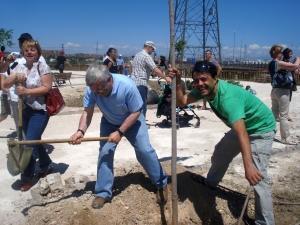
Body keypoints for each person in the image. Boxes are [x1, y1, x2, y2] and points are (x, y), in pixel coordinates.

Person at [170, 61, 277, 225]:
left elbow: (242, 134)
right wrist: (177, 82)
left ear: (215, 78)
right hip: (242, 126)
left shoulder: (228, 98)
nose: (200, 84)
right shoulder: (203, 90)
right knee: (221, 153)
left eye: (204, 79)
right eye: (196, 80)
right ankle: (210, 185)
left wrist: (248, 166)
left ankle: (265, 222)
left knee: (258, 178)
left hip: (260, 129)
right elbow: (182, 101)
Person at [69, 65, 168, 209]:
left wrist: (120, 132)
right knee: (105, 153)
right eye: (95, 90)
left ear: (109, 79)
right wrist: (80, 131)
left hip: (133, 119)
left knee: (144, 150)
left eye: (101, 88)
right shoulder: (92, 89)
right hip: (109, 121)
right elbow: (87, 112)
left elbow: (136, 112)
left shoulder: (126, 86)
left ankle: (161, 184)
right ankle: (103, 192)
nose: (98, 92)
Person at [3, 39, 53, 191]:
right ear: (23, 52)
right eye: (26, 50)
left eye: (33, 49)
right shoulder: (18, 65)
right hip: (24, 110)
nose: (30, 52)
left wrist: (27, 92)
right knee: (34, 140)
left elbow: (47, 88)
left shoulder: (42, 66)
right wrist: (14, 78)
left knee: (28, 143)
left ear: (38, 51)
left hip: (40, 110)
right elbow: (4, 85)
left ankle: (27, 177)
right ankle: (45, 164)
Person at [269, 45, 300, 145]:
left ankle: (269, 134)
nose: (282, 54)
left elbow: (293, 70)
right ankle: (285, 138)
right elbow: (295, 66)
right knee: (284, 116)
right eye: (281, 52)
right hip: (282, 92)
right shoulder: (278, 63)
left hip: (274, 90)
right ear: (277, 54)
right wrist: (298, 59)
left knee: (273, 114)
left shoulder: (272, 63)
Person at [131, 41, 171, 117]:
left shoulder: (137, 55)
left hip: (132, 82)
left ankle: (134, 122)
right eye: (152, 49)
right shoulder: (146, 56)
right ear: (149, 47)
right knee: (142, 105)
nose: (153, 51)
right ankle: (142, 123)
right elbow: (155, 69)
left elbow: (141, 68)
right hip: (141, 83)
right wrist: (166, 78)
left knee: (134, 105)